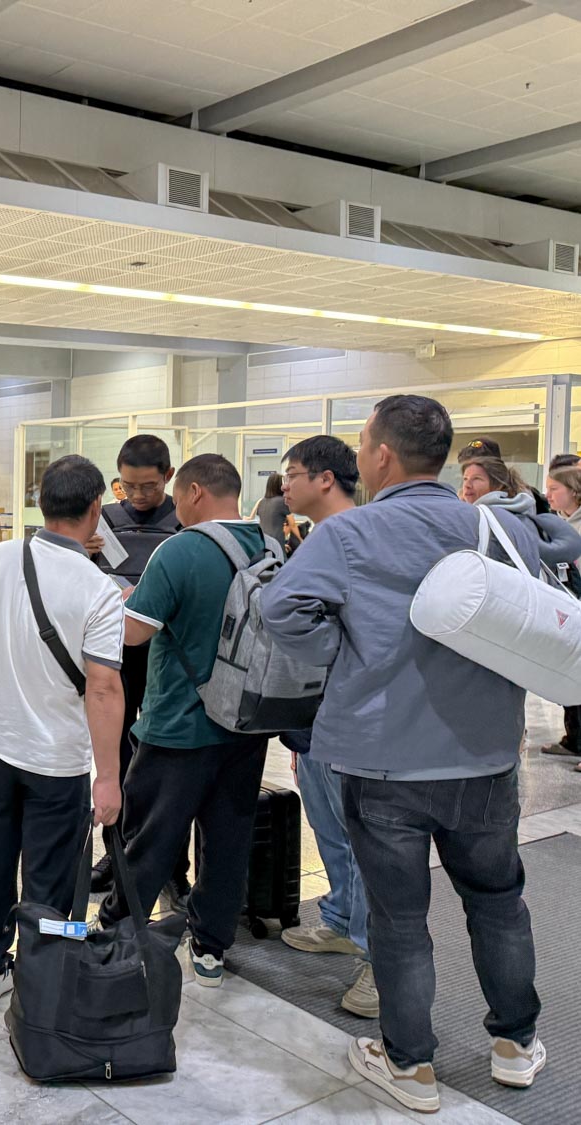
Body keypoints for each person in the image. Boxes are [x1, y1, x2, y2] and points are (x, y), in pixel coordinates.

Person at [262, 395, 547, 1114]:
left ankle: (411, 1065)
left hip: (382, 755)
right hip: (484, 753)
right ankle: (516, 1045)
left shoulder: (349, 533)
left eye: (362, 443)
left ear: (382, 454)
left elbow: (280, 608)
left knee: (397, 916)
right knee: (498, 901)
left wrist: (344, 653)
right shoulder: (496, 526)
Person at [0, 455, 126, 1010]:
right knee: (49, 874)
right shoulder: (99, 589)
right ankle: (40, 978)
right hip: (56, 759)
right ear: (96, 508)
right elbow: (103, 688)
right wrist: (108, 778)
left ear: (41, 502)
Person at [96, 453, 269, 990]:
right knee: (227, 841)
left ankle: (118, 938)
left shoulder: (181, 549)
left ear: (193, 492)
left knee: (149, 840)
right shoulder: (271, 547)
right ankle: (211, 948)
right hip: (246, 725)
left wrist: (122, 599)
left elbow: (134, 633)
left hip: (178, 725)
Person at [275, 436, 376, 1019]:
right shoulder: (316, 538)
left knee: (364, 838)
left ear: (326, 479)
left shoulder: (358, 537)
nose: (284, 485)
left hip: (352, 717)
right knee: (328, 827)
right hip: (313, 717)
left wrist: (332, 655)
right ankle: (340, 919)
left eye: (292, 474)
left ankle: (374, 956)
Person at [86, 435, 190, 907]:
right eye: (129, 486)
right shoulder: (104, 519)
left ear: (168, 476)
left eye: (149, 486)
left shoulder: (185, 520)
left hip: (168, 656)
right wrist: (81, 552)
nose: (139, 495)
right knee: (117, 758)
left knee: (167, 762)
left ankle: (171, 866)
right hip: (116, 654)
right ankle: (118, 855)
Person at [460, 456, 581, 570]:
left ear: (498, 485)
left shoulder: (513, 519)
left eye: (477, 479)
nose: (467, 485)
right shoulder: (467, 517)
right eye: (465, 479)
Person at [540, 460, 581, 760]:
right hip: (567, 609)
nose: (548, 494)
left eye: (555, 489)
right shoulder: (559, 525)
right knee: (570, 675)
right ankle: (574, 740)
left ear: (574, 491)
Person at [458, 436, 550, 513]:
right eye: (465, 478)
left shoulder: (521, 502)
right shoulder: (464, 497)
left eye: (477, 477)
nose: (468, 485)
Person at [256, 472, 298, 554]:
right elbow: (292, 524)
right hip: (276, 541)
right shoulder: (282, 501)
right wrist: (301, 540)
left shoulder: (262, 502)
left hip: (263, 541)